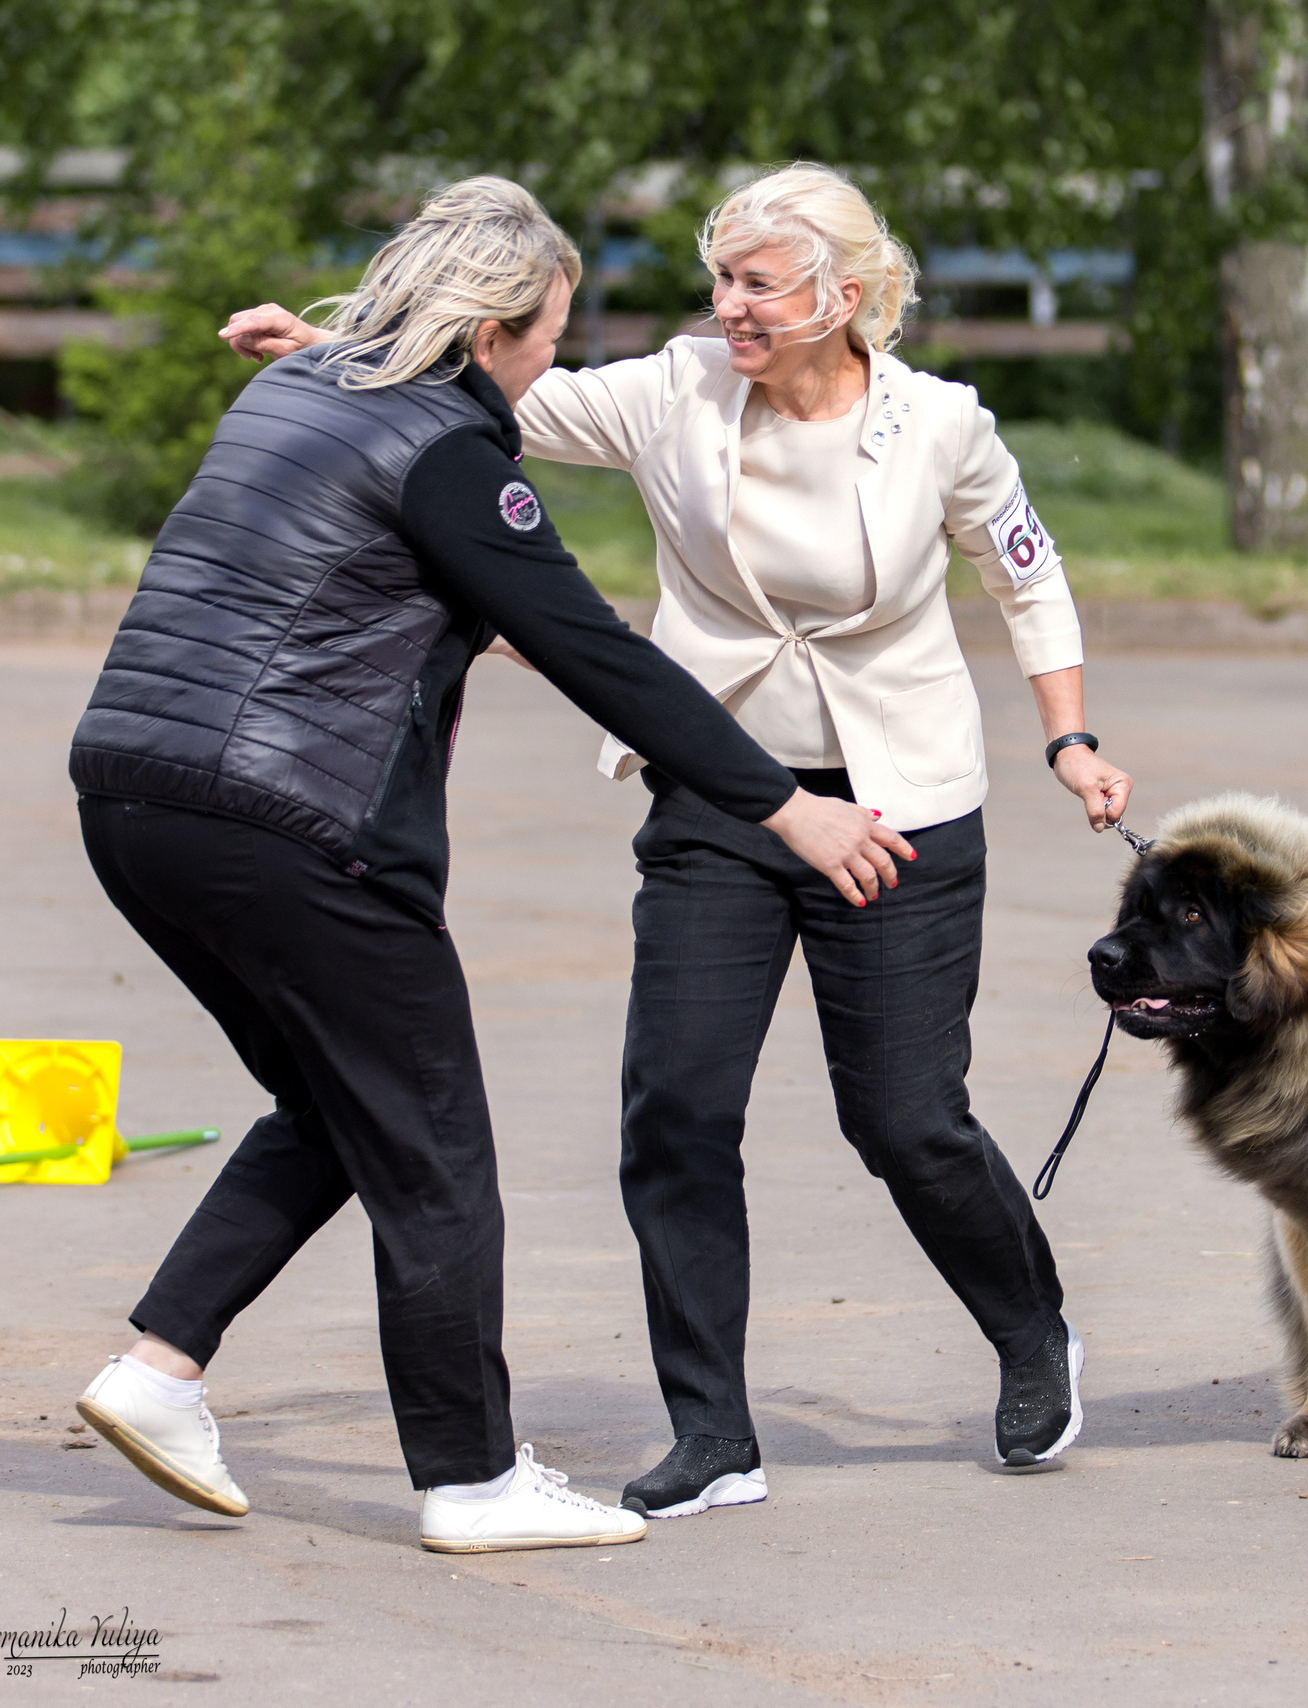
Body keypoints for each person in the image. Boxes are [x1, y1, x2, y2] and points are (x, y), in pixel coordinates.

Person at [222, 161, 1133, 1516]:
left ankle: (1030, 1330)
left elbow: (1025, 569)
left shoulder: (941, 425)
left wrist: (1068, 737)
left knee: (903, 1118)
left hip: (899, 806)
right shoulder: (674, 387)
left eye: (757, 284)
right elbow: (490, 385)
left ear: (844, 295)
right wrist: (328, 350)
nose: (729, 309)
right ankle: (713, 1434)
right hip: (722, 795)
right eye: (722, 283)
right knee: (676, 1113)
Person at [70, 176, 909, 1556]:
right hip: (300, 827)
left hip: (134, 798)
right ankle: (470, 1481)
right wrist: (787, 810)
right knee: (439, 1150)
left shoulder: (295, 398)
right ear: (489, 336)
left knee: (342, 1107)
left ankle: (158, 1374)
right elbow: (594, 652)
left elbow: (413, 600)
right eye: (548, 341)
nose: (548, 369)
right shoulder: (450, 447)